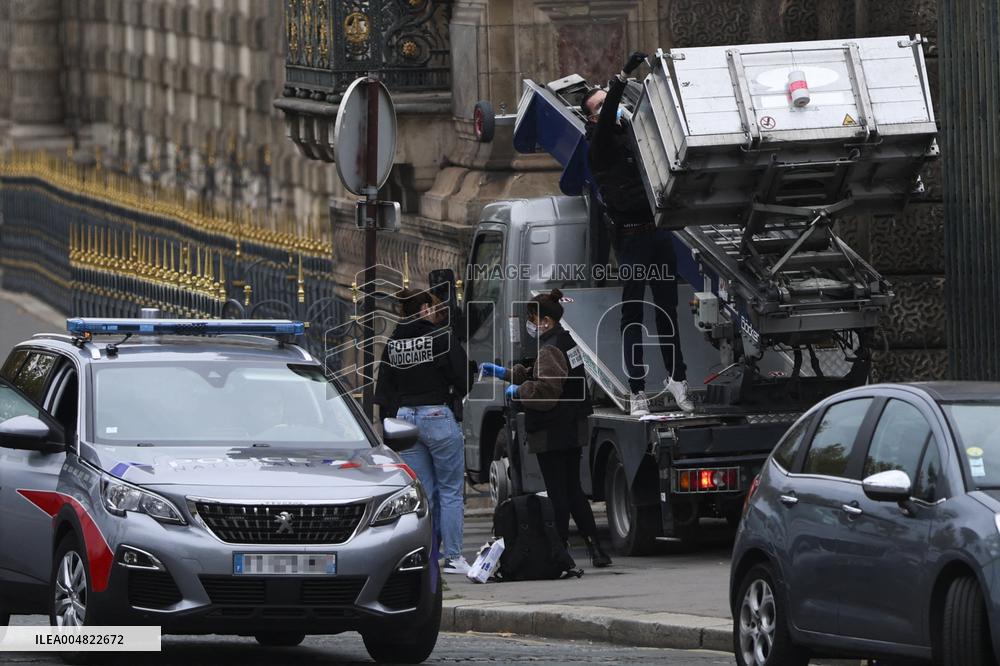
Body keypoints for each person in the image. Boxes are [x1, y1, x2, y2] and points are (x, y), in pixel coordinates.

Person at [581, 51, 695, 417]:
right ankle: (637, 391)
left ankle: (677, 379)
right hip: (630, 239)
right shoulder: (598, 146)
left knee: (668, 310)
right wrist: (621, 76)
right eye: (601, 105)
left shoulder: (630, 136)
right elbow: (611, 103)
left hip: (657, 232)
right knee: (634, 313)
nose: (611, 107)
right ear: (593, 117)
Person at [480, 289, 612, 568]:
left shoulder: (549, 347)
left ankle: (560, 553)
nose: (531, 324)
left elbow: (546, 391)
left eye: (532, 318)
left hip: (553, 429)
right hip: (572, 426)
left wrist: (518, 391)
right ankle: (597, 550)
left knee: (558, 493)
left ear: (545, 319)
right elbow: (553, 374)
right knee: (573, 490)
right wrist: (509, 374)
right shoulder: (566, 341)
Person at [374, 288, 472, 574]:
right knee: (452, 491)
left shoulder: (393, 343)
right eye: (432, 307)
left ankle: (427, 554)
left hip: (405, 420)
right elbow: (463, 376)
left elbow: (384, 390)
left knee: (424, 493)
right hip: (437, 414)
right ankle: (454, 557)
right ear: (424, 308)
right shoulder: (440, 337)